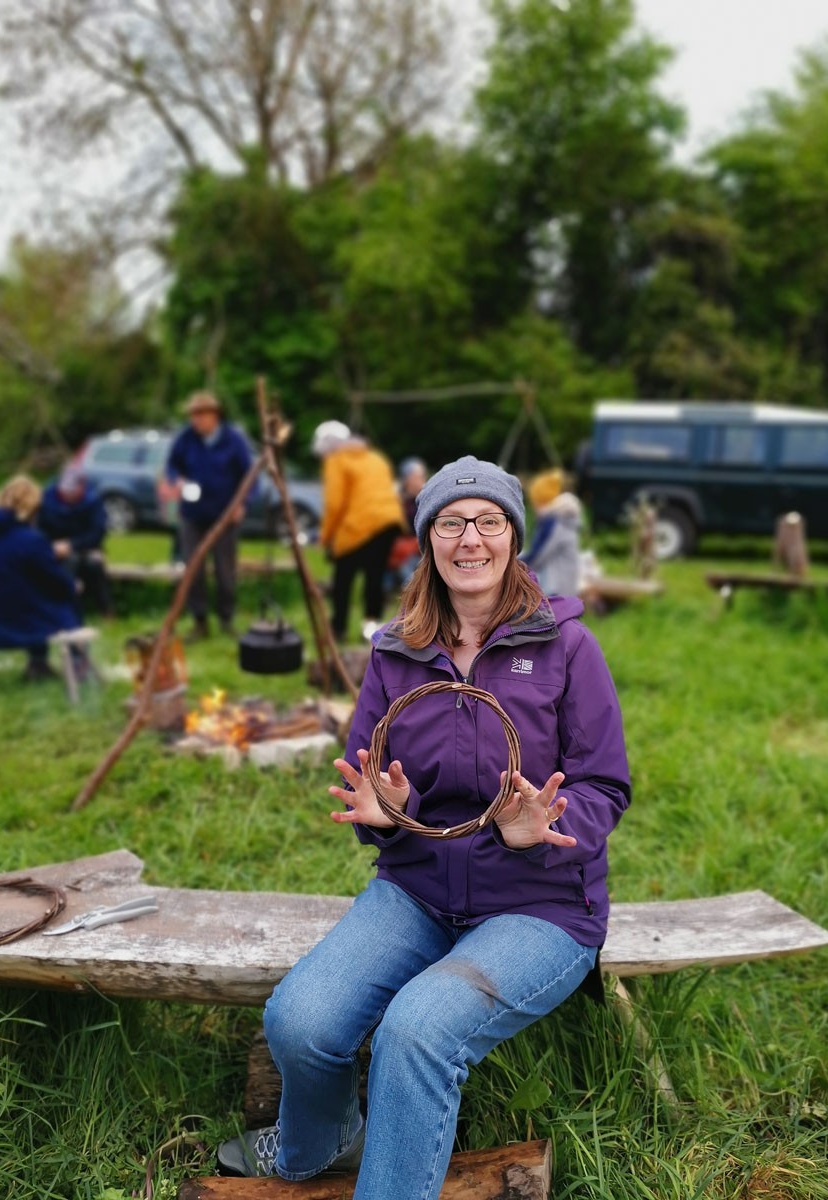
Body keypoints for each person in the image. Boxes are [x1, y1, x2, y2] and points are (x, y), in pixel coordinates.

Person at [218, 454, 630, 1196]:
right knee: (301, 1019)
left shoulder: (566, 645)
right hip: (419, 891)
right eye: (450, 523)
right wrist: (383, 815)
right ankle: (322, 1146)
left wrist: (544, 824)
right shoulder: (395, 651)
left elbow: (605, 784)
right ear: (427, 540)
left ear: (513, 536)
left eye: (488, 521)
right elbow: (367, 773)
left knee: (416, 1030)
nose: (470, 539)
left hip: (540, 904)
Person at [163, 391, 253, 640]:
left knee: (225, 571)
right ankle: (199, 621)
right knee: (193, 568)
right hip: (192, 514)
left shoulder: (233, 440)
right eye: (193, 415)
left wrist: (242, 503)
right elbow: (172, 465)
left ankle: (226, 619)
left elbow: (249, 475)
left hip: (225, 514)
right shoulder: (186, 438)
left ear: (215, 415)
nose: (196, 420)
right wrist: (177, 480)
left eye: (201, 415)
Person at [312, 420, 404, 642]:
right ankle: (371, 629)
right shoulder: (376, 458)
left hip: (359, 525)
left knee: (343, 578)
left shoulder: (336, 460)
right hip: (388, 522)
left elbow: (334, 503)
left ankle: (338, 629)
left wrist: (325, 537)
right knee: (375, 576)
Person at [0, 475, 84, 681]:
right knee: (65, 596)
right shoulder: (31, 540)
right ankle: (77, 663)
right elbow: (55, 581)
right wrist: (73, 585)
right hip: (21, 622)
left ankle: (39, 663)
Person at [38, 465, 113, 616]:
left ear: (82, 486)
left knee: (93, 563)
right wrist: (52, 546)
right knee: (70, 560)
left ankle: (107, 611)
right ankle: (64, 610)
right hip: (53, 548)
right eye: (65, 489)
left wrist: (71, 544)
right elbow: (39, 529)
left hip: (85, 547)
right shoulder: (47, 498)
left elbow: (97, 533)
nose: (67, 493)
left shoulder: (93, 501)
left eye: (72, 490)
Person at [521, 468, 584, 598]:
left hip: (558, 592)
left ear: (544, 501)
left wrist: (513, 563)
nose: (534, 508)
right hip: (562, 587)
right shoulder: (560, 519)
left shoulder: (553, 523)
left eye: (536, 503)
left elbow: (537, 557)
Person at [385, 456, 427, 593]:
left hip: (418, 548)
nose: (422, 481)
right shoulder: (396, 501)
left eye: (422, 476)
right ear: (407, 479)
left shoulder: (425, 500)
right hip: (400, 551)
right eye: (418, 477)